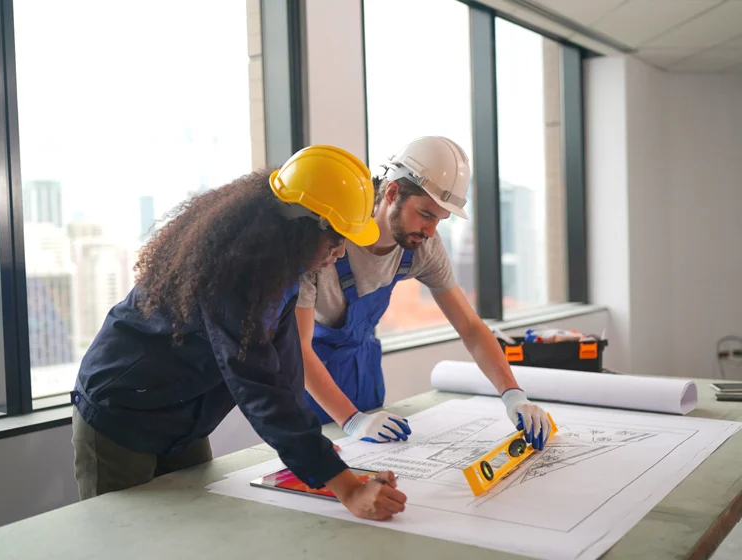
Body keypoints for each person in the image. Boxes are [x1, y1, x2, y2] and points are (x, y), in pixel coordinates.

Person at [70, 145, 407, 521]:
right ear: (301, 224)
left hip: (185, 415)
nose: (340, 253)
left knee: (194, 532)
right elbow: (259, 387)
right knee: (125, 541)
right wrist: (348, 488)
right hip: (125, 414)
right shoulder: (233, 278)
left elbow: (285, 368)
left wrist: (318, 453)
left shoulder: (282, 270)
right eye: (335, 239)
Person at [296, 136, 552, 450]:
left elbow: (470, 327)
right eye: (426, 215)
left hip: (363, 370)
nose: (431, 231)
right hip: (309, 382)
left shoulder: (422, 247)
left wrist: (513, 395)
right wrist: (352, 419)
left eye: (440, 220)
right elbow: (298, 348)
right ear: (392, 193)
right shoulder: (328, 242)